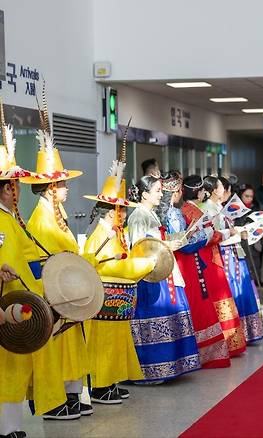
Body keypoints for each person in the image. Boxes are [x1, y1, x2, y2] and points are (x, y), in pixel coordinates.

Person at [0, 123, 67, 434]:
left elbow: (28, 257)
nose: (17, 190)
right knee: (8, 369)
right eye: (13, 185)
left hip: (21, 300)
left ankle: (11, 426)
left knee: (15, 366)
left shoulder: (13, 219)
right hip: (8, 301)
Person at [24, 130, 94, 419]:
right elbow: (42, 261)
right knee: (56, 347)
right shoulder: (41, 218)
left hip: (67, 290)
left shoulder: (58, 214)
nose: (66, 189)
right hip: (55, 293)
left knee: (69, 347)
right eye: (63, 184)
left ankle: (71, 393)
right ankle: (54, 399)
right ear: (50, 187)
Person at [82, 142, 157, 404]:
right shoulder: (100, 234)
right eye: (121, 209)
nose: (124, 214)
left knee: (116, 344)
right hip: (105, 300)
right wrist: (144, 265)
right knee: (103, 345)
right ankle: (100, 386)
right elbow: (107, 265)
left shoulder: (116, 233)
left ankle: (110, 382)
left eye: (124, 209)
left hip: (118, 301)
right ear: (110, 211)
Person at [127, 176, 201, 382]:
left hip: (163, 270)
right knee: (154, 319)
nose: (162, 194)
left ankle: (171, 366)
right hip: (150, 276)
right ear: (144, 194)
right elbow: (140, 250)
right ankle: (152, 369)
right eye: (158, 190)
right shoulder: (138, 217)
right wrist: (168, 246)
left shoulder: (150, 214)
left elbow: (155, 242)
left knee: (172, 315)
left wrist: (172, 241)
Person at [159, 173, 232, 368]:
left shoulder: (167, 212)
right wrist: (204, 235)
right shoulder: (174, 212)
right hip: (185, 261)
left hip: (172, 262)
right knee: (196, 304)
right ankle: (199, 353)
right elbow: (184, 244)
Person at [203, 176, 263, 344]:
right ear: (215, 190)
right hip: (224, 254)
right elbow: (214, 236)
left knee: (241, 289)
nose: (227, 192)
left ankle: (244, 332)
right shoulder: (209, 209)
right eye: (225, 189)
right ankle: (232, 334)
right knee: (233, 291)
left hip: (232, 254)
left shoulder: (218, 208)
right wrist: (235, 233)